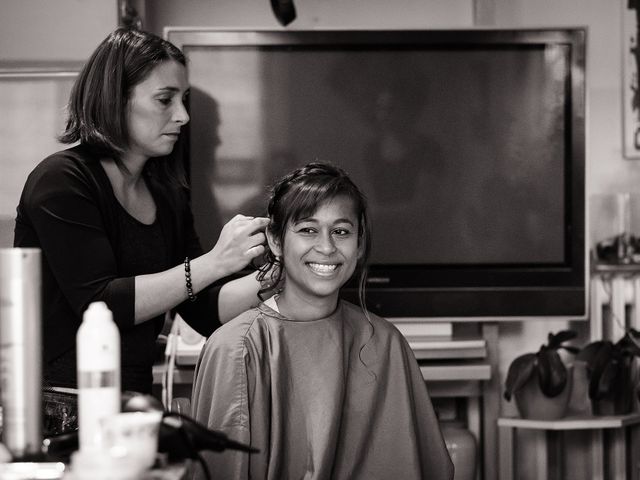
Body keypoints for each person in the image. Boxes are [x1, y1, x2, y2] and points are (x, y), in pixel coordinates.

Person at [13, 28, 268, 418]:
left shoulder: (167, 194)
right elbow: (100, 301)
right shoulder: (61, 180)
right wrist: (216, 261)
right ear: (115, 100)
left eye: (183, 101)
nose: (182, 116)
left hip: (131, 402)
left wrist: (282, 270)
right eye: (165, 100)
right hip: (55, 407)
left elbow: (203, 310)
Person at [190, 163, 454, 480]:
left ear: (358, 244)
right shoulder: (236, 349)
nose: (327, 247)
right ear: (275, 241)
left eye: (341, 232)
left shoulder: (385, 342)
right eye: (308, 230)